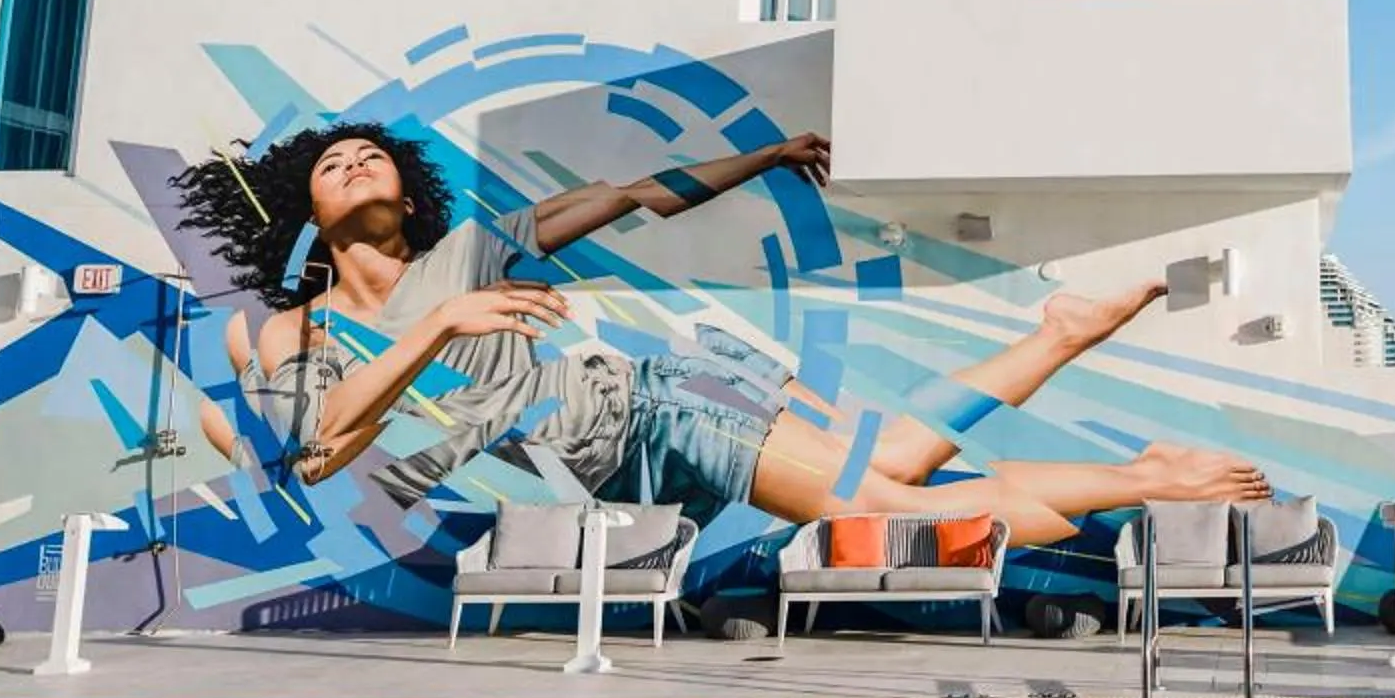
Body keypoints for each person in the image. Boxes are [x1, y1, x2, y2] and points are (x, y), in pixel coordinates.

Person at [171, 122, 1266, 545]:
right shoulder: (292, 331)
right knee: (893, 462)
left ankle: (1145, 477)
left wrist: (764, 159)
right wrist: (437, 330)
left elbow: (628, 195)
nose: (356, 163)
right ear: (304, 210)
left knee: (882, 505)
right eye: (333, 163)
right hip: (619, 454)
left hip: (660, 406)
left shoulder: (473, 250)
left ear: (408, 196)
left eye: (372, 156)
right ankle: (1060, 336)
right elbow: (318, 452)